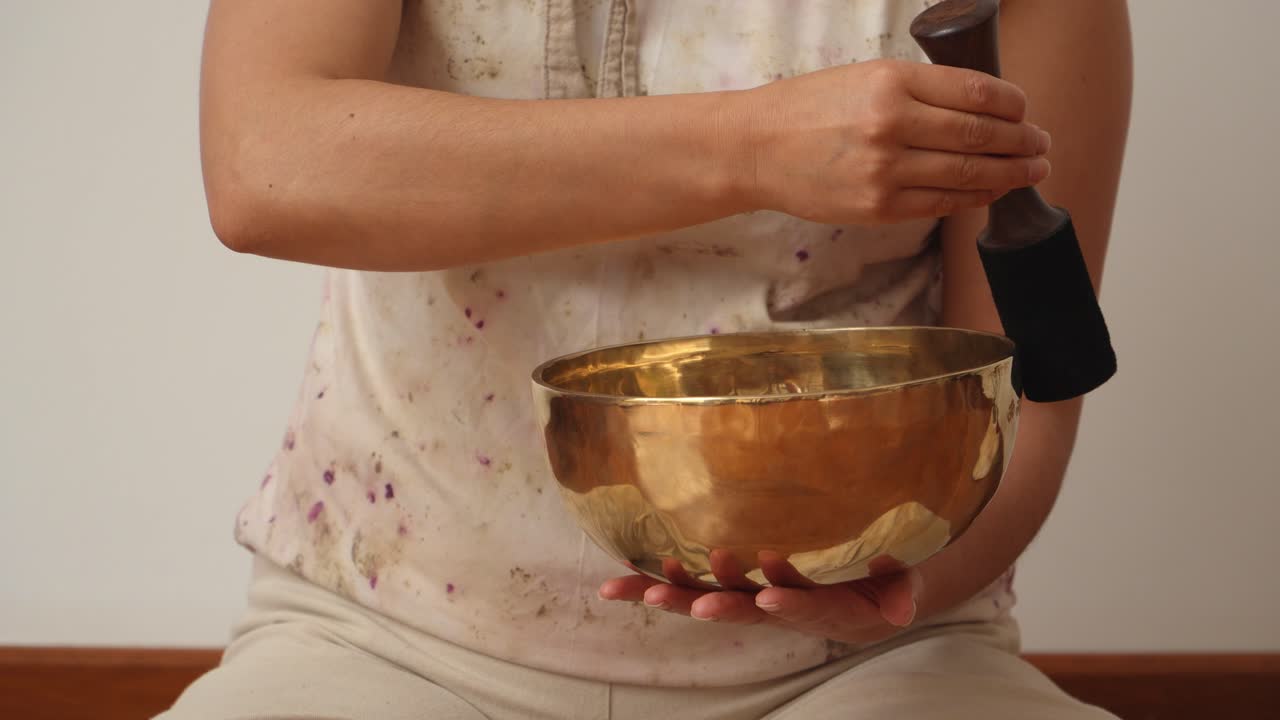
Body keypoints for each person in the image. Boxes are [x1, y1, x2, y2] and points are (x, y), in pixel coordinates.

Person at [165, 0, 1131, 717]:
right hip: (384, 640)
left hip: (869, 664)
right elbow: (266, 165)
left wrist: (907, 586)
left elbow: (1034, 388)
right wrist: (751, 146)